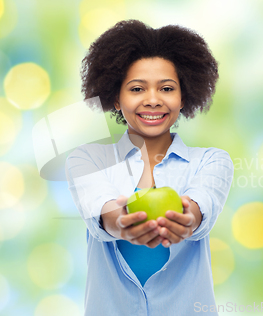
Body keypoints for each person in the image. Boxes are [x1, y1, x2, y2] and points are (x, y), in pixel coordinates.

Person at [66, 19, 234, 316]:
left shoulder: (211, 161)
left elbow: (201, 206)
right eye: (137, 89)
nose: (153, 100)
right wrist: (123, 225)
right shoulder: (87, 160)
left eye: (167, 88)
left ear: (183, 97)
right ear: (116, 98)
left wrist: (186, 218)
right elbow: (101, 211)